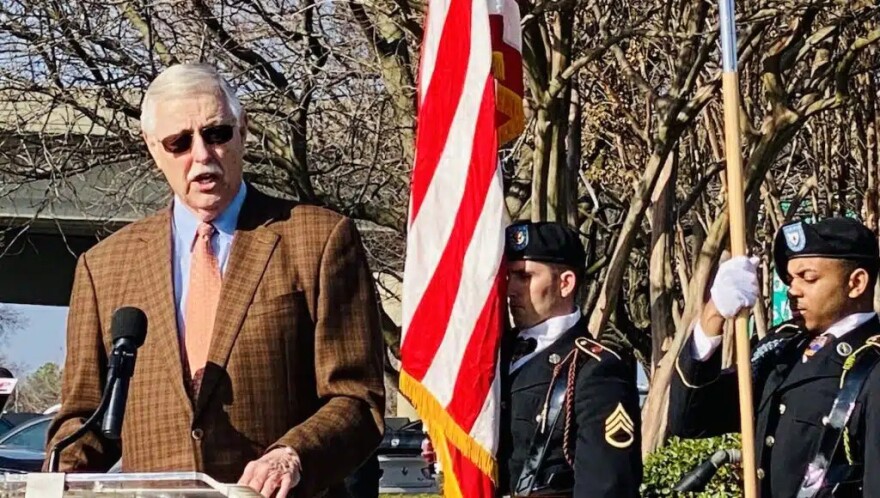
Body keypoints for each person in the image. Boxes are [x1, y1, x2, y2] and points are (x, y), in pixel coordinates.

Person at [44, 63, 385, 498]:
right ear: (153, 148)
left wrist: (292, 455)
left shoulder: (318, 240)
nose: (202, 155)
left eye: (217, 133)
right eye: (179, 142)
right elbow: (82, 421)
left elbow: (358, 399)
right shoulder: (104, 266)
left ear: (243, 129)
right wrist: (53, 481)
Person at [423, 221, 643, 497]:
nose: (511, 289)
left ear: (565, 283)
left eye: (524, 277)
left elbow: (607, 486)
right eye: (508, 277)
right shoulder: (490, 355)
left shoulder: (595, 370)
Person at [668, 217, 880, 497]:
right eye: (791, 279)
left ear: (856, 283)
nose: (793, 289)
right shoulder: (783, 347)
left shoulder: (871, 363)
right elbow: (691, 420)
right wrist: (713, 315)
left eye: (809, 277)